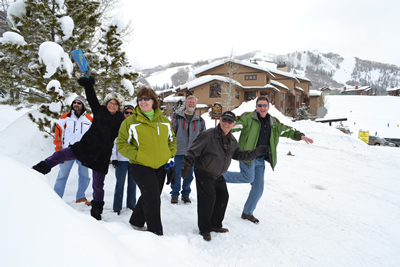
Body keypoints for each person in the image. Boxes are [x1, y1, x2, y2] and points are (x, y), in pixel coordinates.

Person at [32, 76, 125, 221]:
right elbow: (92, 97)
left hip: (101, 155)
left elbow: (127, 133)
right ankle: (38, 170)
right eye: (110, 103)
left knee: (98, 186)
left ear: (119, 107)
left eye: (116, 104)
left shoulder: (121, 121)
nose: (112, 106)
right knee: (60, 155)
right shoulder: (99, 111)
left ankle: (96, 212)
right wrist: (88, 85)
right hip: (85, 147)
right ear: (107, 103)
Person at [180, 111, 269, 241]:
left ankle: (215, 225)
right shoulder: (208, 135)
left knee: (223, 197)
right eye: (224, 120)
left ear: (233, 124)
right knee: (208, 199)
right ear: (220, 121)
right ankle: (204, 229)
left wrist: (255, 152)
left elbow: (238, 155)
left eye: (229, 121)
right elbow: (192, 151)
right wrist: (186, 167)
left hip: (218, 174)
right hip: (204, 172)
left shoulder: (232, 140)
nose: (226, 123)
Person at [223, 96, 314, 224]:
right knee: (247, 177)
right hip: (247, 156)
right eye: (259, 105)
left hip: (261, 160)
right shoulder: (248, 118)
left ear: (268, 107)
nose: (262, 108)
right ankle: (218, 175)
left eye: (264, 105)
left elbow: (286, 130)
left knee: (258, 189)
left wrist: (300, 136)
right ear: (256, 107)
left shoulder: (273, 122)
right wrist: (227, 124)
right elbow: (235, 124)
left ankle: (247, 213)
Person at [117, 87, 177, 236]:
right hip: (140, 165)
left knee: (150, 195)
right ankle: (155, 233)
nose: (142, 102)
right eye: (140, 99)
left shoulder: (164, 121)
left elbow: (172, 140)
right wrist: (137, 155)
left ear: (153, 101)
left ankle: (136, 221)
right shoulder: (130, 121)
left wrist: (169, 156)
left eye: (146, 99)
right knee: (153, 199)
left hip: (161, 166)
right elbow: (121, 143)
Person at [53, 96, 93, 205]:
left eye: (79, 103)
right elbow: (58, 135)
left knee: (84, 176)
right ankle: (56, 197)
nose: (76, 104)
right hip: (67, 150)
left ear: (83, 105)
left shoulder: (89, 119)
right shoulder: (65, 118)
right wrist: (59, 150)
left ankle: (81, 197)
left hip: (83, 152)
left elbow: (92, 137)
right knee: (62, 175)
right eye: (74, 102)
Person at [170, 95, 206, 204]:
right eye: (189, 102)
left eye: (193, 102)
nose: (191, 104)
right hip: (179, 151)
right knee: (176, 173)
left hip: (192, 153)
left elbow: (203, 137)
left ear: (196, 104)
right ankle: (175, 194)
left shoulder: (200, 120)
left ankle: (185, 194)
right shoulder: (177, 117)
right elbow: (171, 133)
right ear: (185, 104)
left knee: (189, 175)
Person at [111, 105, 136, 215]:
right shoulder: (119, 125)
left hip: (133, 160)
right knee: (120, 183)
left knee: (133, 183)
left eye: (131, 113)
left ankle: (131, 204)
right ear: (123, 113)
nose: (129, 115)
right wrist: (114, 158)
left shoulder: (138, 126)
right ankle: (117, 206)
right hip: (121, 159)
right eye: (126, 112)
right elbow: (114, 143)